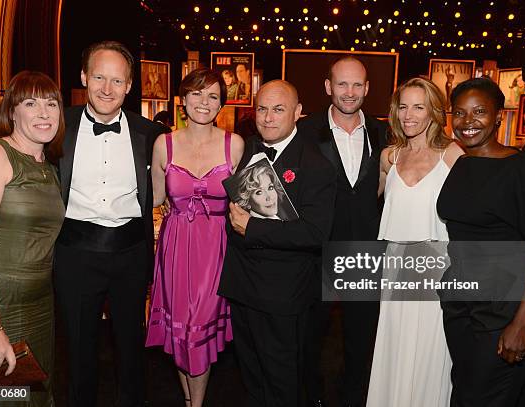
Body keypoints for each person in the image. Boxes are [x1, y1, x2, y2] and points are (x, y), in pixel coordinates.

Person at [54, 41, 162, 407]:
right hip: (74, 252)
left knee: (131, 348)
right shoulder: (56, 125)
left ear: (130, 85)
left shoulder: (150, 134)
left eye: (117, 80)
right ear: (83, 76)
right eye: (99, 77)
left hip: (130, 253)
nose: (106, 88)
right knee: (78, 348)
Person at [437, 77, 525, 406]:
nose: (468, 122)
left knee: (484, 397)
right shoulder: (462, 163)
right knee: (463, 391)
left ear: (499, 117)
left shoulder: (522, 167)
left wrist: (522, 323)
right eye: (459, 113)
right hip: (461, 303)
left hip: (504, 306)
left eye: (479, 112)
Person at [218, 80, 337, 407]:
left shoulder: (317, 166)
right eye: (262, 109)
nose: (268, 117)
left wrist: (251, 227)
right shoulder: (249, 149)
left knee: (281, 380)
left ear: (298, 113)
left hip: (282, 294)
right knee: (251, 374)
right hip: (242, 285)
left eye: (278, 109)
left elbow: (315, 234)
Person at [0, 70, 66, 406]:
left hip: (38, 308)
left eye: (51, 104)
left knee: (34, 396)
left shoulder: (49, 166)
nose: (44, 112)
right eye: (31, 103)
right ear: (12, 111)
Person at [145, 67, 244, 407]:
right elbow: (156, 199)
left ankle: (195, 404)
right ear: (183, 99)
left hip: (216, 249)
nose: (204, 102)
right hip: (175, 247)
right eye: (197, 94)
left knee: (198, 326)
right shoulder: (164, 144)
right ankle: (190, 400)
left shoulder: (235, 145)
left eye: (213, 96)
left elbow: (246, 205)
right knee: (181, 329)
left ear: (222, 104)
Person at [366, 77, 464, 407]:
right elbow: (363, 206)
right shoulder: (389, 157)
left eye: (418, 107)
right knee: (394, 347)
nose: (409, 115)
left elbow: (475, 210)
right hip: (395, 269)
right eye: (403, 106)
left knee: (430, 355)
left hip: (437, 270)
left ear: (434, 112)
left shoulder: (452, 154)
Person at [298, 56, 388, 407]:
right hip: (315, 251)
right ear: (327, 87)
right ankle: (313, 397)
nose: (349, 92)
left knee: (361, 338)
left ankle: (355, 398)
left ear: (367, 88)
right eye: (341, 84)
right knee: (310, 336)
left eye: (357, 85)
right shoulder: (304, 132)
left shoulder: (386, 132)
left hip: (365, 251)